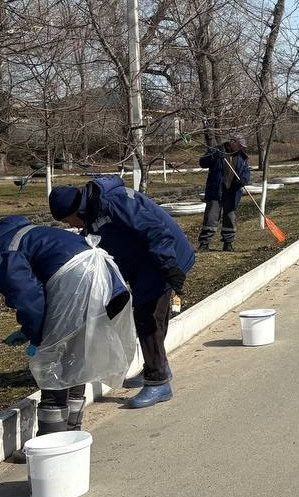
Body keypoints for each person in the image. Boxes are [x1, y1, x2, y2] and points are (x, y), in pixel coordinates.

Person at [0, 216, 131, 439]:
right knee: (77, 352)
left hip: (77, 278)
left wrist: (36, 338)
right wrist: (27, 330)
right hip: (105, 275)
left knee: (51, 357)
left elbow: (30, 300)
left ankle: (52, 440)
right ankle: (71, 432)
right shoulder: (19, 235)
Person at [49, 175, 195, 409]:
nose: (72, 227)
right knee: (149, 317)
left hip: (162, 258)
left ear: (74, 210)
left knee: (149, 319)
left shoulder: (111, 202)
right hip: (144, 262)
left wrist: (169, 266)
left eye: (69, 221)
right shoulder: (92, 212)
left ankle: (158, 382)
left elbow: (154, 229)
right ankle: (155, 367)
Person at [198, 134, 251, 253]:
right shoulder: (217, 150)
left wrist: (243, 180)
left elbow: (246, 172)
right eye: (239, 145)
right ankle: (204, 243)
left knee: (230, 218)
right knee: (211, 217)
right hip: (216, 190)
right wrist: (215, 156)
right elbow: (202, 162)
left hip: (232, 192)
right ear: (233, 142)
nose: (241, 148)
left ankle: (228, 243)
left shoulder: (242, 157)